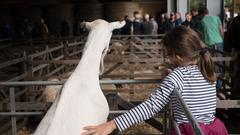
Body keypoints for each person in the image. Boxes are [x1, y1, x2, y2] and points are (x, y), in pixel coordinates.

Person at [81, 26, 229, 135]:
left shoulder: (177, 76)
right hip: (214, 129)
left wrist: (113, 124)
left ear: (176, 56)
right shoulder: (207, 70)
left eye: (167, 55)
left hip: (189, 131)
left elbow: (151, 106)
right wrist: (173, 75)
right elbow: (192, 91)